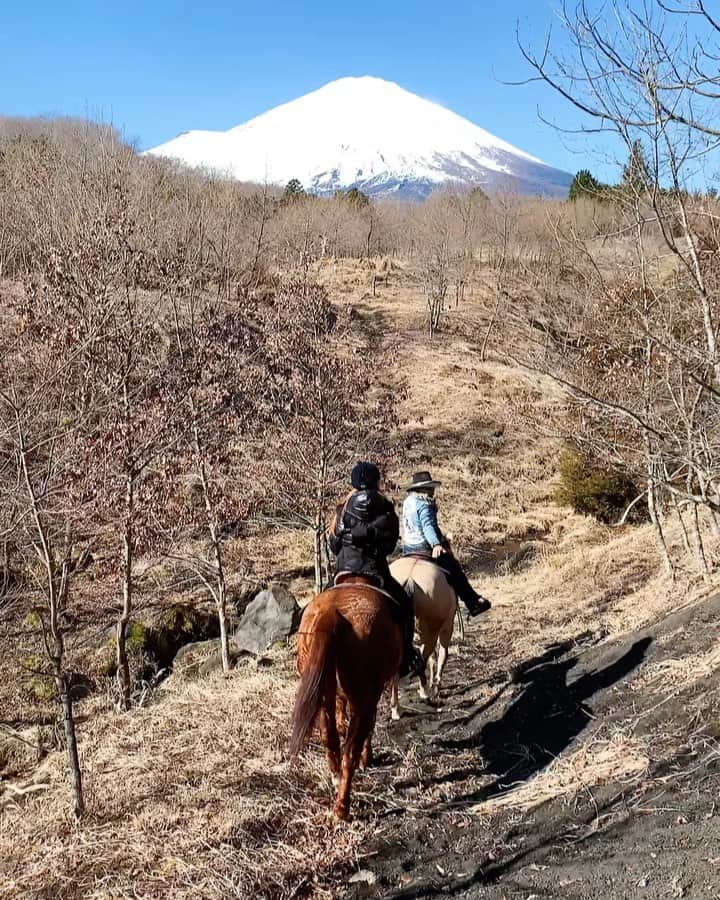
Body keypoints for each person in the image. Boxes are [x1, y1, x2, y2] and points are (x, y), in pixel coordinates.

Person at [329, 461, 424, 678]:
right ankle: (407, 656)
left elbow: (334, 546)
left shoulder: (340, 509)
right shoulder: (385, 507)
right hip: (375, 573)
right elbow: (389, 546)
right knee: (405, 606)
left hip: (343, 573)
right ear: (376, 481)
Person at [402, 471, 492, 617]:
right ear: (425, 488)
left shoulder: (407, 502)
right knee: (454, 569)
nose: (432, 491)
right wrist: (436, 544)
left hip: (408, 548)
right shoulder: (424, 503)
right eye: (430, 487)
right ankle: (472, 602)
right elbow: (427, 526)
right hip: (424, 547)